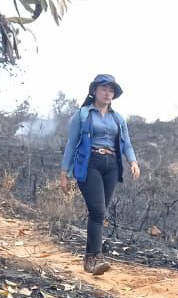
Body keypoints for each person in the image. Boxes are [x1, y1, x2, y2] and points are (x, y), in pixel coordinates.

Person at [59, 74, 140, 275]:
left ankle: (89, 259)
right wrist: (64, 172)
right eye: (103, 89)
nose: (107, 93)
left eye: (111, 90)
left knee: (99, 212)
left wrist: (133, 161)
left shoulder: (117, 118)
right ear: (94, 91)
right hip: (90, 163)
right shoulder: (83, 115)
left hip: (112, 165)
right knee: (97, 211)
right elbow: (72, 144)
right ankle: (96, 257)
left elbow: (126, 142)